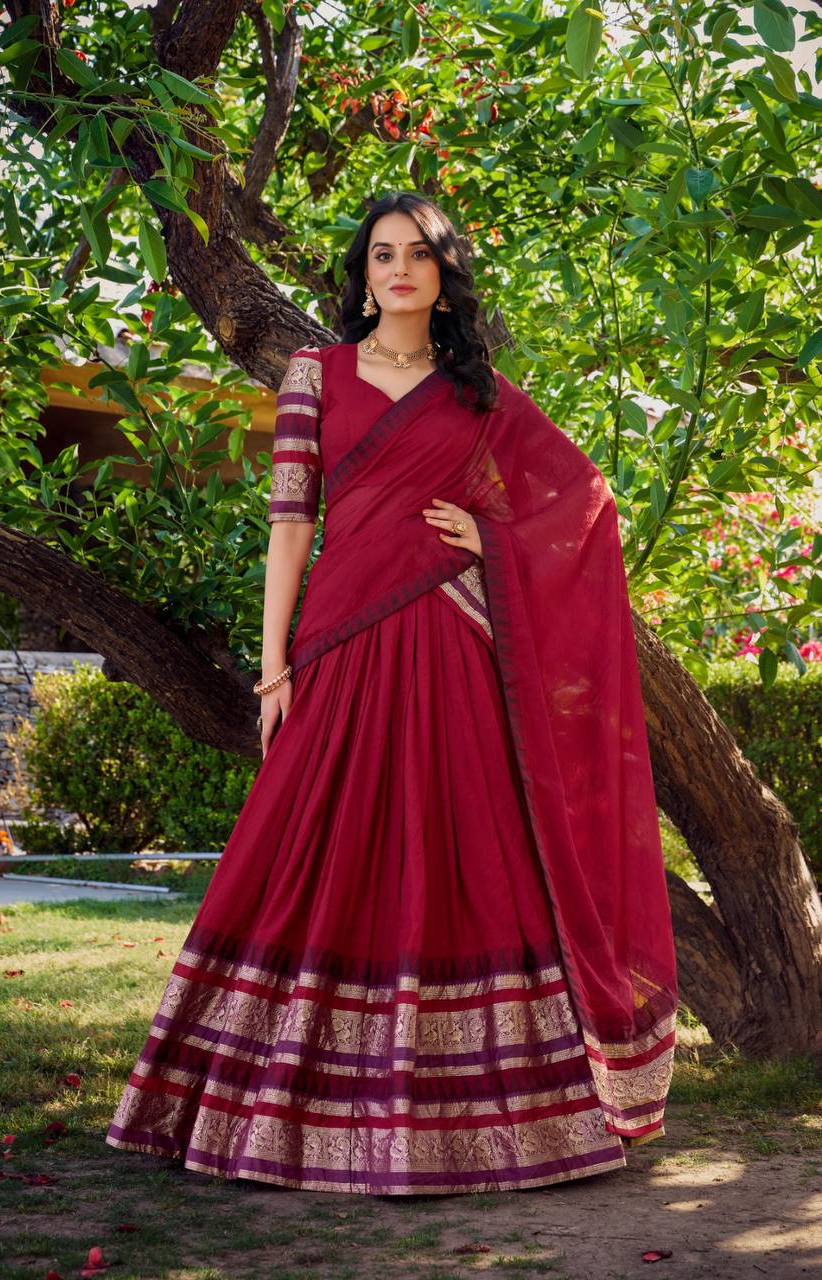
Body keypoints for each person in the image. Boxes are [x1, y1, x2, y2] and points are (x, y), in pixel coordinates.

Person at [105, 190, 678, 1195]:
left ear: (445, 276)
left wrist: (492, 539)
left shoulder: (480, 394)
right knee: (311, 849)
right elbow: (292, 524)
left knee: (463, 854)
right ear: (362, 274)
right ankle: (270, 1099)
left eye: (418, 254)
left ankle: (484, 1113)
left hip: (452, 644)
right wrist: (274, 666)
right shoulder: (315, 374)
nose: (399, 269)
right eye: (381, 254)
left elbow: (585, 503)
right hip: (342, 642)